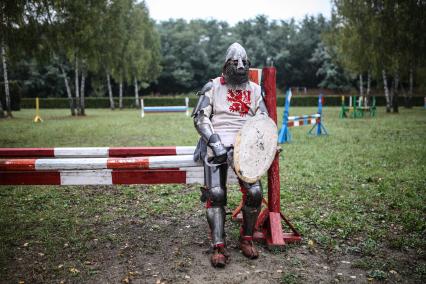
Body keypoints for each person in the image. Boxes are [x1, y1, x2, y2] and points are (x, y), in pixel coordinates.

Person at [192, 42, 269, 268]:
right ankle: (218, 245)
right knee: (216, 193)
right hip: (217, 140)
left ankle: (246, 238)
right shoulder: (213, 86)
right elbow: (200, 117)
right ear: (227, 64)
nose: (240, 66)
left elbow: (263, 120)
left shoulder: (255, 90)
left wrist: (261, 143)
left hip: (245, 145)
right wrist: (215, 143)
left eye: (244, 62)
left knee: (255, 193)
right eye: (235, 63)